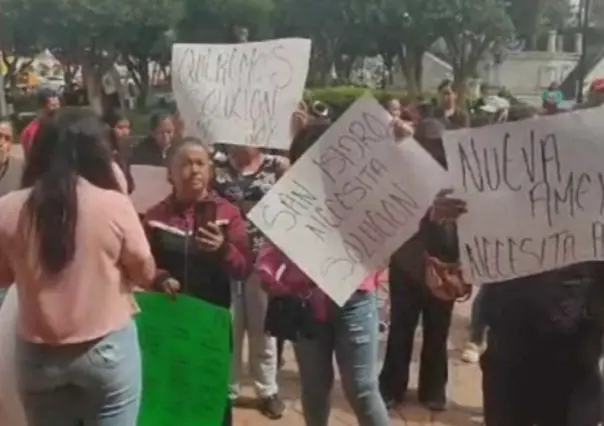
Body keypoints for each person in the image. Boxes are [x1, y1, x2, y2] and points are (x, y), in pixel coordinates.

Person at [0, 107, 156, 426]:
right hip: (106, 351)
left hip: (37, 356)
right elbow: (146, 272)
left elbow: (3, 276)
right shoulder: (114, 205)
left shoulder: (7, 209)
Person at [143, 137, 251, 426]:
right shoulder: (154, 218)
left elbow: (244, 268)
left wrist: (223, 250)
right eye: (186, 163)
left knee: (211, 397)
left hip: (210, 326)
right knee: (170, 395)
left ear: (211, 171)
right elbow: (141, 266)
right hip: (167, 322)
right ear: (170, 173)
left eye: (201, 163)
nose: (194, 170)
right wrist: (160, 276)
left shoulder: (229, 214)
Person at [213, 144, 288, 419]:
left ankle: (267, 389)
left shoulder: (276, 166)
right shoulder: (216, 165)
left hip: (263, 261)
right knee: (230, 326)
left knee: (263, 330)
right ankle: (227, 389)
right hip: (225, 258)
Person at [103, 109, 134, 193]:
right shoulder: (103, 153)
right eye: (120, 127)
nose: (125, 132)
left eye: (127, 128)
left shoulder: (128, 149)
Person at [20, 88, 61, 153]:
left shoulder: (64, 128)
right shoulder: (31, 132)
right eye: (53, 106)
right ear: (41, 107)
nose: (57, 111)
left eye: (58, 106)